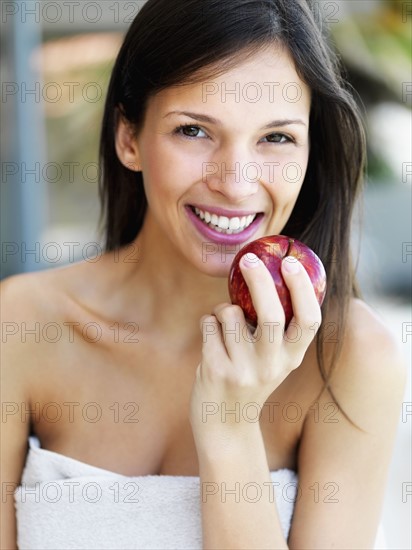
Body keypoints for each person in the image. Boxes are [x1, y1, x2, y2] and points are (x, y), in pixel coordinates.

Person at [1, 0, 406, 548]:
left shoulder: (351, 356)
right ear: (129, 138)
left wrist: (232, 428)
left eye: (276, 137)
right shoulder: (22, 325)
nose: (235, 183)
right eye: (194, 130)